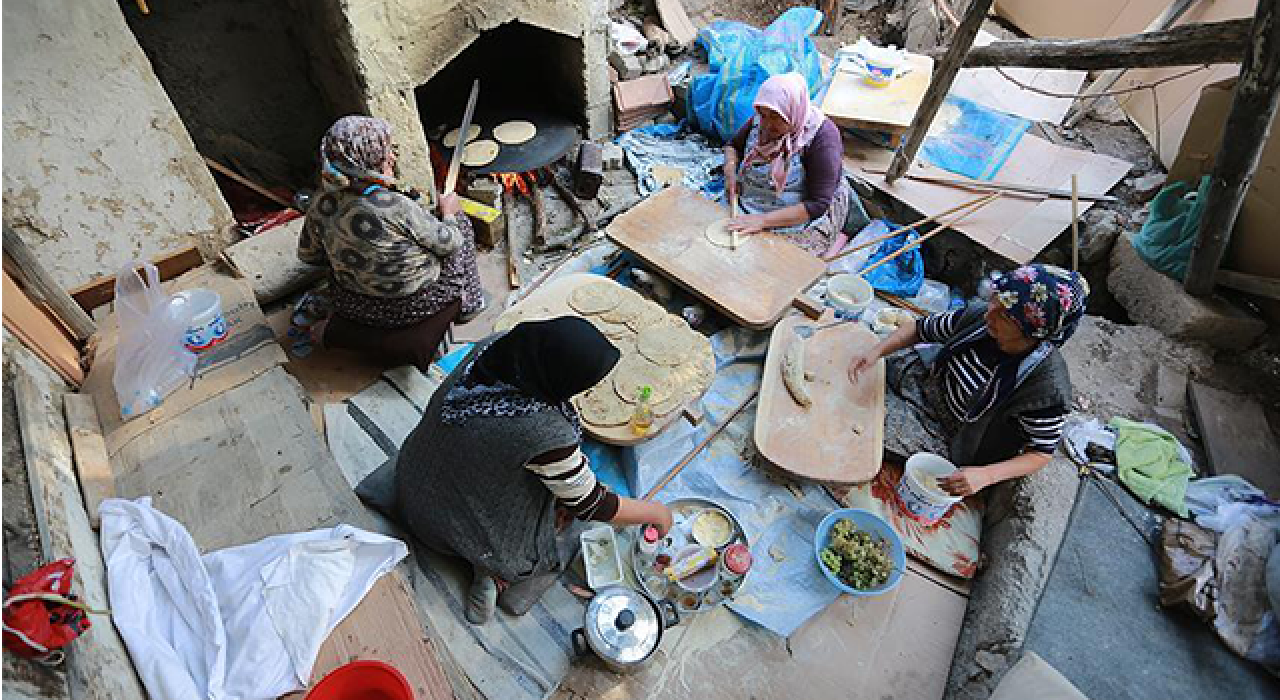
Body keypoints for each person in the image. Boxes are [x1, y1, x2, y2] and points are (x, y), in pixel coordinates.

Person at [392, 317, 674, 624]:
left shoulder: (499, 347)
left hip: (411, 475)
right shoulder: (544, 434)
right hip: (442, 525)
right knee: (553, 522)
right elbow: (592, 504)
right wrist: (655, 513)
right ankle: (491, 572)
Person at [848, 265, 1089, 497]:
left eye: (1005, 315)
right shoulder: (980, 318)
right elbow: (921, 330)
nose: (990, 313)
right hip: (929, 381)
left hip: (952, 433)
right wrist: (876, 352)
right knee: (855, 372)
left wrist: (986, 476)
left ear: (1031, 331)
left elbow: (1041, 453)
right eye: (996, 299)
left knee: (867, 428)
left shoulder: (1045, 386)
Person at [297, 115, 485, 371]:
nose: (393, 159)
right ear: (368, 164)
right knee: (461, 229)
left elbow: (309, 255)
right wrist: (450, 212)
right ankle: (470, 303)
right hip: (416, 305)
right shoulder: (397, 207)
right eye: (386, 155)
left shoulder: (321, 203)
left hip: (354, 304)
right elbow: (449, 243)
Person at [723, 72, 866, 256]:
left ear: (793, 110)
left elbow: (817, 204)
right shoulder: (763, 116)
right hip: (753, 202)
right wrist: (730, 174)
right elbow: (732, 146)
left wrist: (762, 221)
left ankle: (839, 239)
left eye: (775, 117)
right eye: (763, 115)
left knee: (776, 262)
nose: (766, 125)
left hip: (799, 214)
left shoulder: (822, 137)